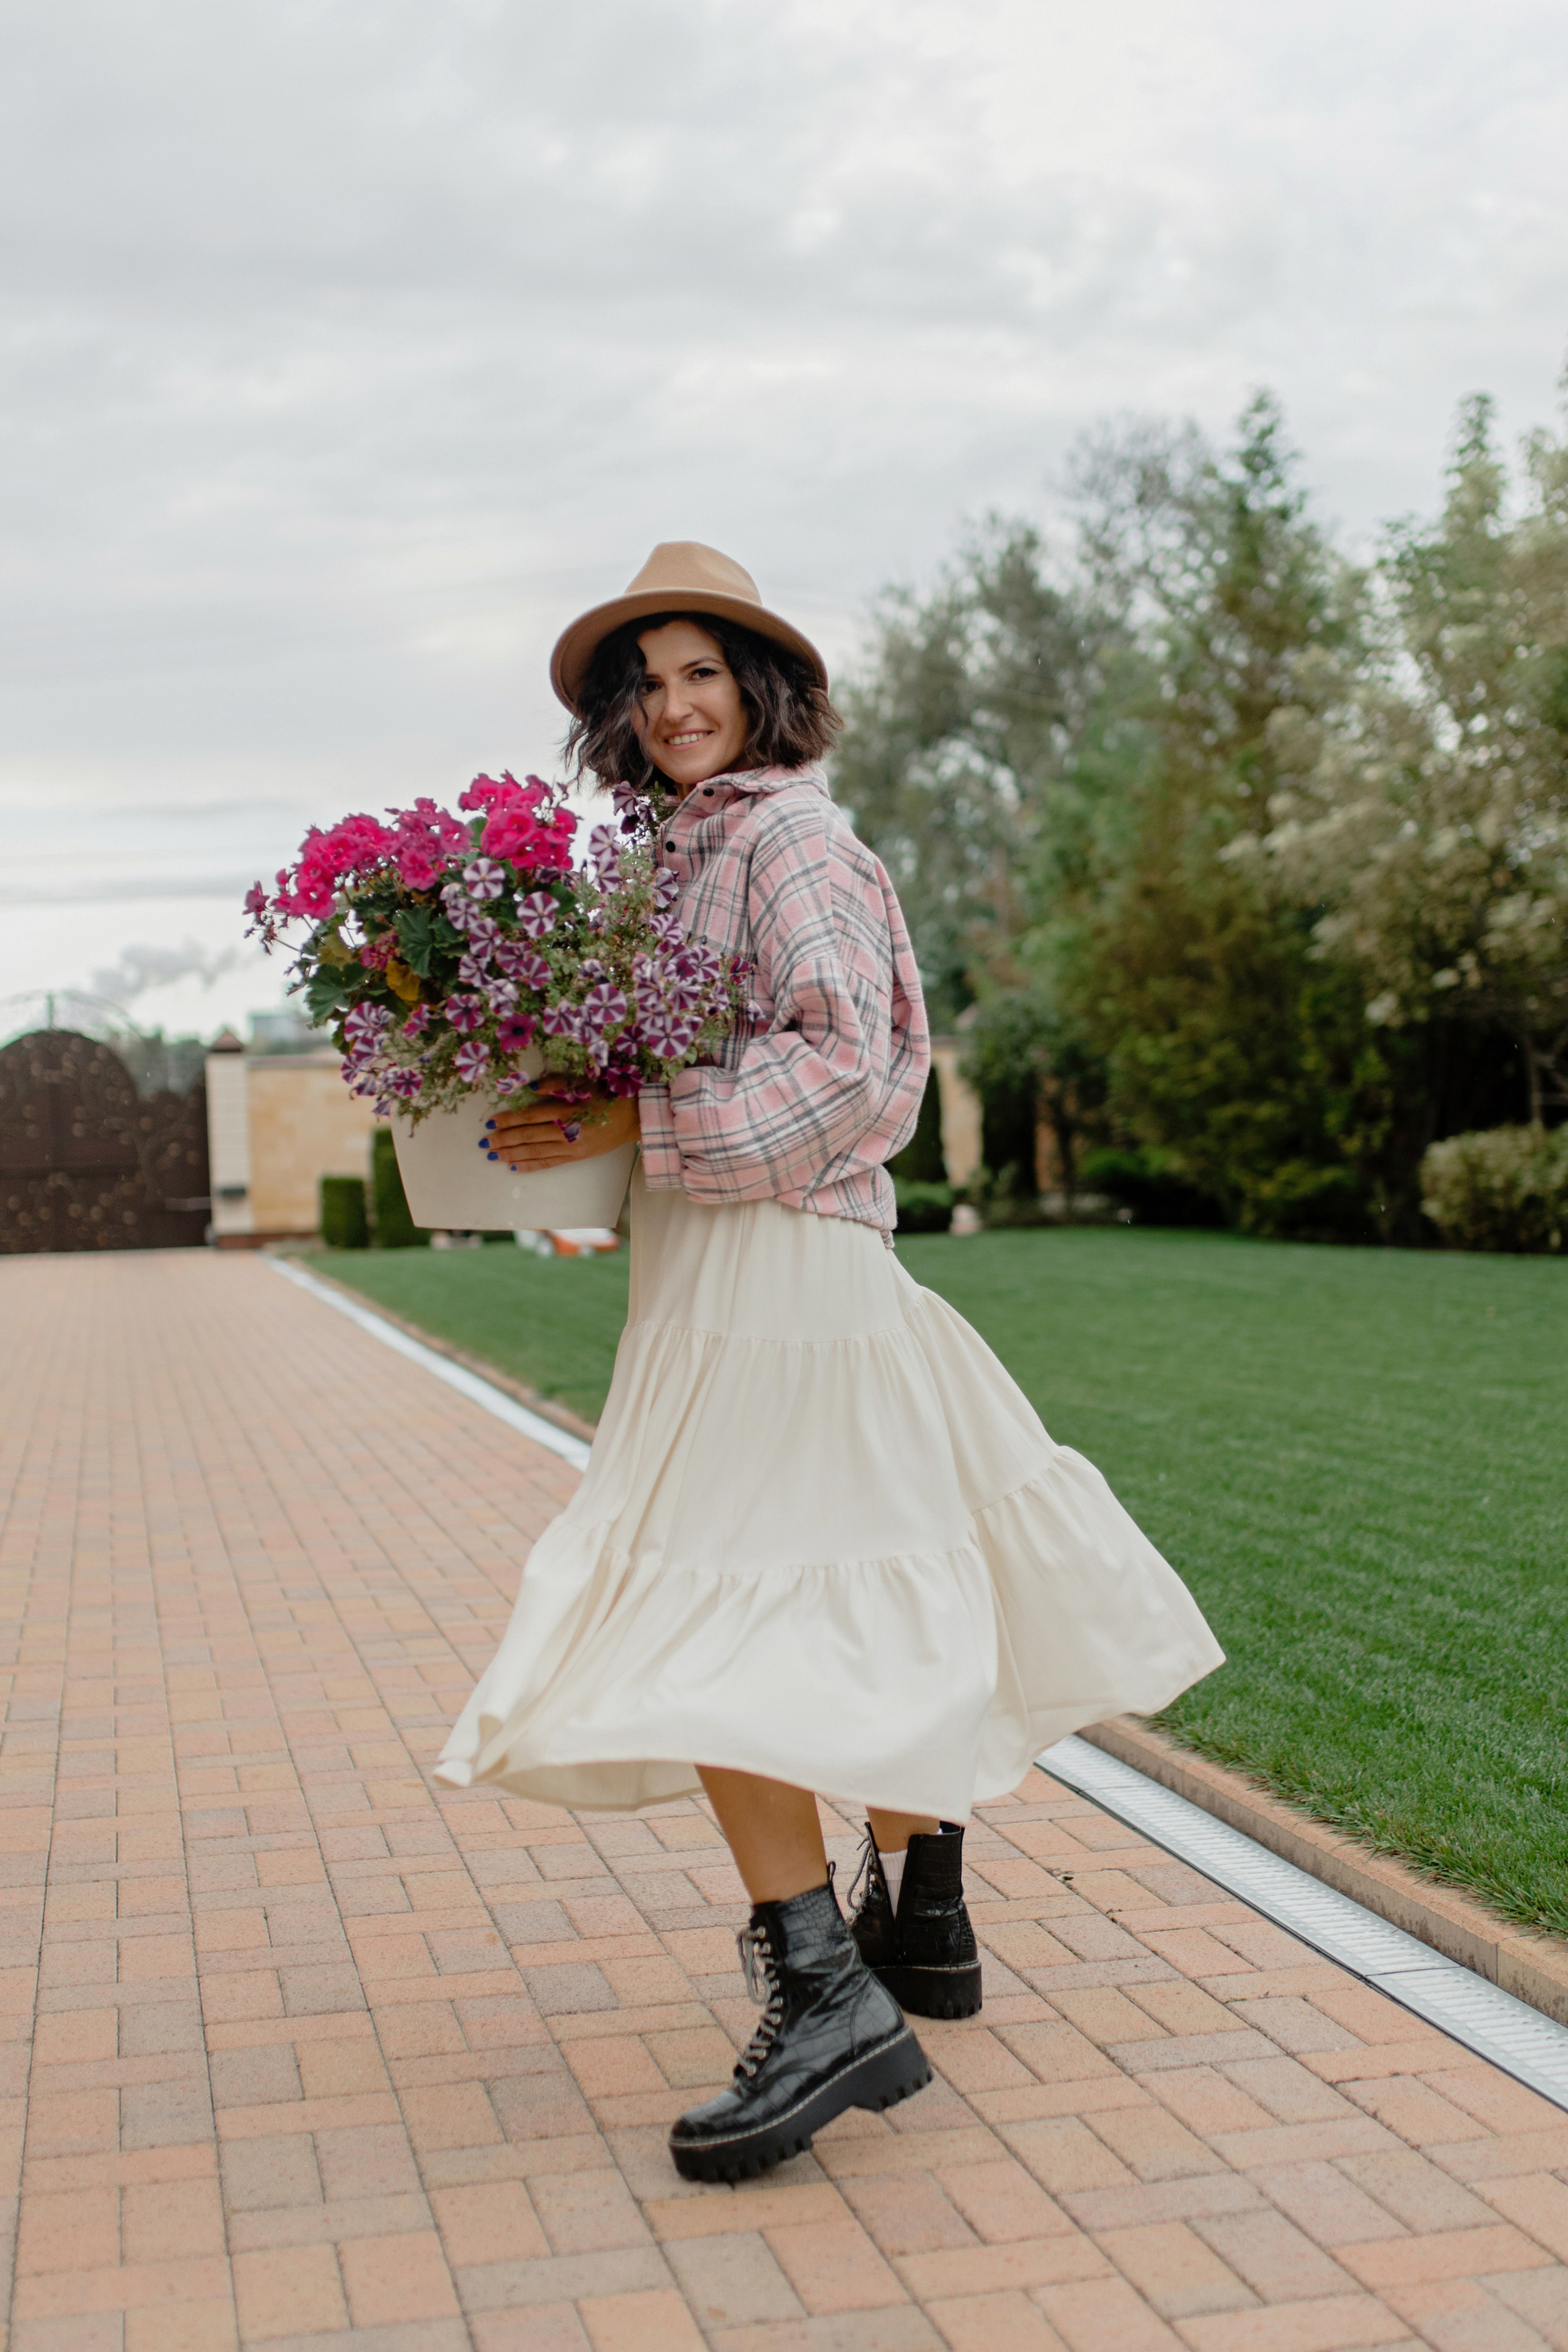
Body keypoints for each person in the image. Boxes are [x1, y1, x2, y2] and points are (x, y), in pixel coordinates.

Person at [435, 541, 1224, 2184]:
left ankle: (821, 1988)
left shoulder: (789, 837)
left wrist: (635, 1122)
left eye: (701, 671)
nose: (672, 705)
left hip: (774, 1280)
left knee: (715, 1604)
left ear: (763, 686)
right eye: (645, 682)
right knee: (864, 1570)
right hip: (766, 1271)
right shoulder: (689, 851)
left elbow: (851, 1070)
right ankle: (918, 1925)